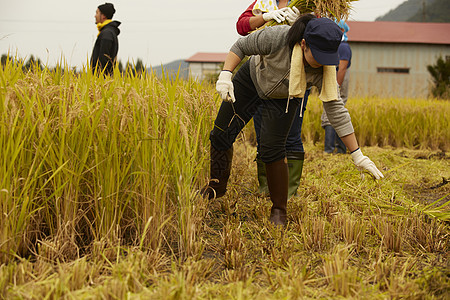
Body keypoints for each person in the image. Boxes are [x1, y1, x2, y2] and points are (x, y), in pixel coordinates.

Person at [201, 15, 383, 226]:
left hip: (285, 99)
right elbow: (242, 45)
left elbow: (336, 110)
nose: (323, 62)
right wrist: (225, 74)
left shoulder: (325, 69)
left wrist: (357, 154)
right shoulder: (277, 37)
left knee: (272, 150)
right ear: (303, 44)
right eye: (319, 55)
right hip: (251, 80)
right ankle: (217, 186)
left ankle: (279, 209)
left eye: (328, 56)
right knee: (221, 133)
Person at [236, 0, 309, 198]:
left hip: (294, 79)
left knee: (291, 135)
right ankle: (266, 188)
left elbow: (322, 35)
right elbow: (241, 26)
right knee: (263, 135)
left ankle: (288, 192)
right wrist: (265, 17)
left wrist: (303, 22)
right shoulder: (264, 2)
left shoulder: (306, 3)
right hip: (264, 76)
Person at [321, 20, 352, 154]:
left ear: (342, 31)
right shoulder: (334, 45)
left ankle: (332, 149)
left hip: (338, 80)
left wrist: (336, 86)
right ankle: (337, 149)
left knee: (335, 111)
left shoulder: (344, 47)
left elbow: (342, 68)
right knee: (331, 112)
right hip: (333, 79)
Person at [91, 3, 121, 75]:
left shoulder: (106, 34)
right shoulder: (108, 32)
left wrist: (100, 77)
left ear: (103, 16)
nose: (95, 16)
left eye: (97, 13)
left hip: (102, 80)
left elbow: (104, 60)